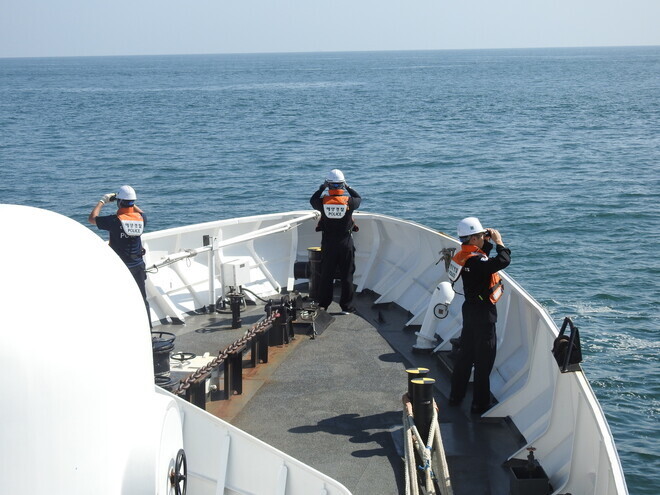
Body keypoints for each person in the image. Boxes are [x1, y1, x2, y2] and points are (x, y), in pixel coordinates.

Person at [447, 216, 511, 414]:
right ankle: (480, 404)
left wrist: (487, 243)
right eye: (481, 235)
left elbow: (483, 259)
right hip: (484, 315)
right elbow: (503, 260)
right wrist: (499, 242)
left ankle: (455, 396)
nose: (484, 237)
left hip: (471, 310)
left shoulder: (466, 257)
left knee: (465, 356)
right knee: (484, 361)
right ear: (473, 239)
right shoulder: (477, 263)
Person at [88, 185, 151, 328]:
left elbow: (92, 218)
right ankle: (147, 331)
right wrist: (130, 202)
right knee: (142, 300)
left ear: (119, 202)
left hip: (121, 267)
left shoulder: (114, 221)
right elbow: (141, 212)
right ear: (133, 202)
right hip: (138, 265)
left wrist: (103, 201)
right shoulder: (142, 219)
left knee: (119, 300)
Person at [309, 169, 361, 313]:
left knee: (326, 275)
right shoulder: (349, 202)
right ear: (342, 185)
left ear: (329, 184)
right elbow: (358, 198)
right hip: (345, 243)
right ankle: (347, 306)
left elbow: (312, 200)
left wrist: (322, 188)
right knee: (347, 275)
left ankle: (324, 304)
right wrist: (348, 187)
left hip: (329, 243)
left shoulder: (322, 202)